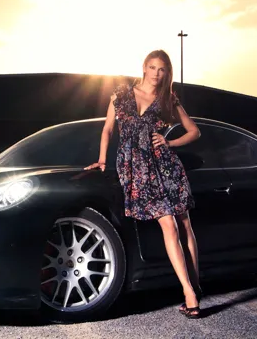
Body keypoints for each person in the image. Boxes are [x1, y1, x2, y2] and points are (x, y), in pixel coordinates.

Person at [85, 49, 203, 318]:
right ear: (144, 67)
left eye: (161, 69)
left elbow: (195, 131)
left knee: (184, 223)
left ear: (166, 73)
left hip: (165, 165)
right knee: (169, 223)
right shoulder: (121, 94)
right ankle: (190, 290)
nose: (156, 74)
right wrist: (103, 159)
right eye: (152, 67)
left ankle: (194, 287)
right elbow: (108, 129)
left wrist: (169, 142)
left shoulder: (167, 100)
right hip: (137, 168)